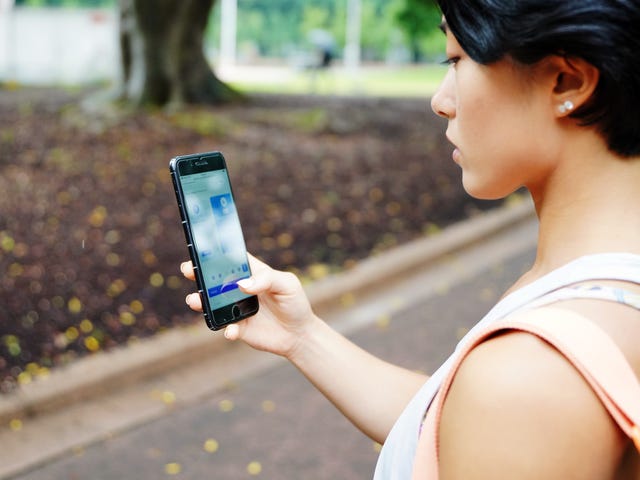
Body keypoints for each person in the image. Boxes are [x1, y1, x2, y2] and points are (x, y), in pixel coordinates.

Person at [181, 0, 640, 477]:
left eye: (457, 59)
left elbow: (504, 414)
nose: (441, 100)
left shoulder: (528, 376)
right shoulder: (600, 287)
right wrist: (303, 337)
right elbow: (450, 425)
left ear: (566, 82)